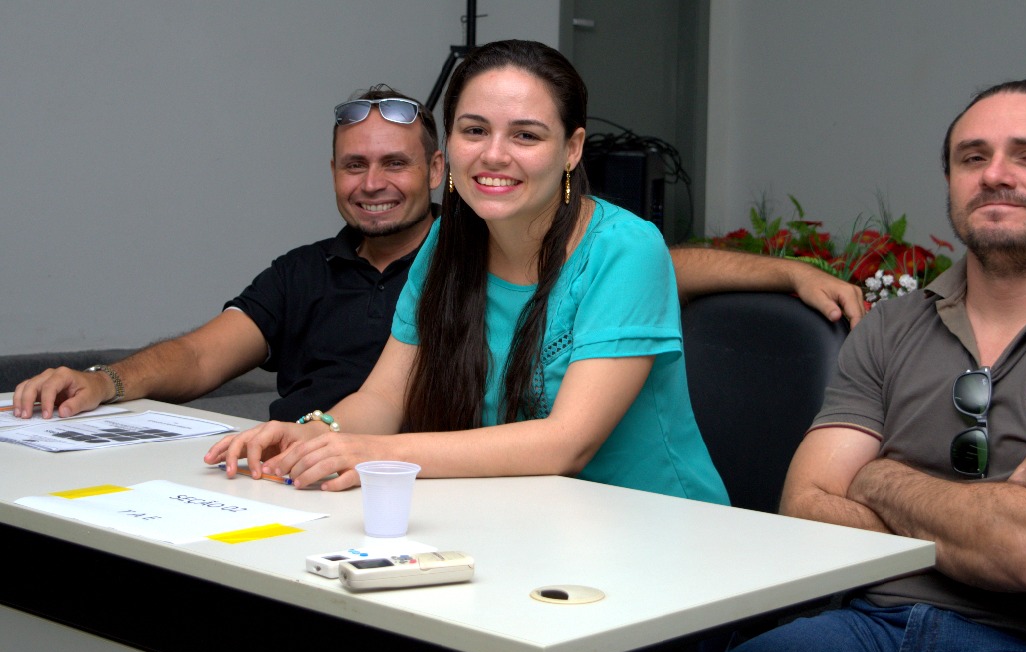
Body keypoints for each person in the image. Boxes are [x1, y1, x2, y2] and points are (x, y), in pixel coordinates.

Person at [10, 87, 864, 423]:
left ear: (435, 172)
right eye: (354, 165)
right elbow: (202, 354)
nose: (373, 182)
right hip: (317, 469)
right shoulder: (305, 271)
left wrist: (784, 270)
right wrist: (107, 379)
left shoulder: (490, 249)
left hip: (429, 481)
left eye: (395, 163)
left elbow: (637, 266)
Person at [706, 80, 1026, 652]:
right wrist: (1002, 509)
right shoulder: (889, 327)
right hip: (865, 628)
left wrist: (878, 479)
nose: (995, 175)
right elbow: (806, 510)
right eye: (973, 158)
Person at [203, 39, 730, 502]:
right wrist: (318, 432)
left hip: (656, 529)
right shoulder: (447, 242)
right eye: (474, 130)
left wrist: (376, 453)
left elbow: (566, 443)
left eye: (526, 136)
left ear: (571, 150)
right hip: (523, 519)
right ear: (449, 146)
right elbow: (384, 397)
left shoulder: (625, 248)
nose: (493, 155)